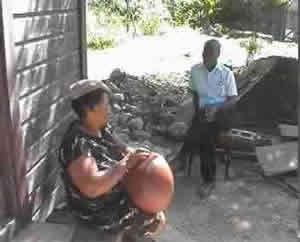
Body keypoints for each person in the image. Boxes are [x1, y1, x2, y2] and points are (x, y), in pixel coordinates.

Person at [59, 79, 166, 241]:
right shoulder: (76, 142)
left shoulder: (101, 129)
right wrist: (124, 164)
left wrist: (139, 156)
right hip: (98, 214)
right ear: (91, 108)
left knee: (156, 216)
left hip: (117, 201)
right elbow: (92, 188)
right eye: (107, 104)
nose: (111, 109)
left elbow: (123, 150)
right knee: (149, 221)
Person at [172, 39, 238, 198]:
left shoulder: (226, 74)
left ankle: (207, 179)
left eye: (210, 53)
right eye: (204, 52)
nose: (205, 56)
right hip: (203, 113)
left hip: (221, 115)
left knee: (204, 134)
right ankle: (184, 161)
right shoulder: (195, 70)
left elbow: (233, 99)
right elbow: (194, 94)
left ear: (218, 55)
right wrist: (198, 111)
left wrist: (216, 109)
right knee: (199, 127)